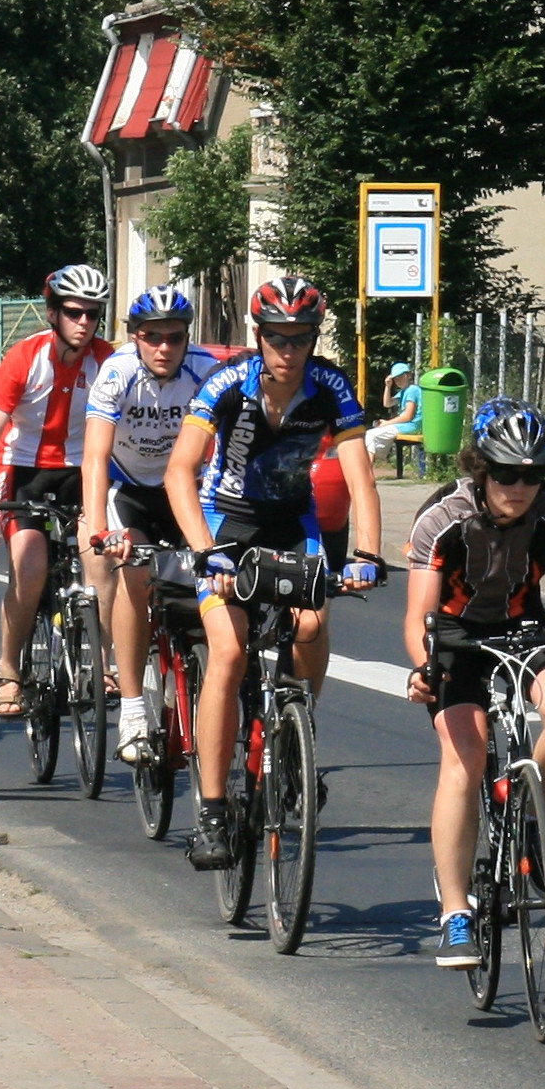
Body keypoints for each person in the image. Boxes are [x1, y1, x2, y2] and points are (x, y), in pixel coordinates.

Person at [163, 275, 384, 870]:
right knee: (230, 652)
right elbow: (180, 472)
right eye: (278, 338)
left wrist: (365, 554)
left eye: (301, 338)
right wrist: (204, 550)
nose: (288, 351)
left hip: (293, 521)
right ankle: (210, 813)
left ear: (314, 339)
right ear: (258, 337)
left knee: (311, 623)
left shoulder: (331, 386)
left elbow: (361, 478)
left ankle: (293, 736)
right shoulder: (227, 383)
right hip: (225, 522)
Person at [402, 399, 545, 970]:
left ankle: (527, 818)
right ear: (481, 468)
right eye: (506, 473)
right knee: (464, 760)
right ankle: (456, 913)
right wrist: (424, 667)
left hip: (524, 626)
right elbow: (417, 617)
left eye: (533, 474)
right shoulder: (441, 515)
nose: (520, 486)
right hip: (453, 636)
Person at [0, 265, 115, 720]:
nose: (84, 322)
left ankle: (104, 665)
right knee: (30, 566)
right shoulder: (25, 357)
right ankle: (9, 671)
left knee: (100, 557)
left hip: (81, 470)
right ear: (52, 313)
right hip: (24, 470)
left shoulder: (107, 360)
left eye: (93, 314)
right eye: (73, 312)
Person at [81, 286, 219, 763]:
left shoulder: (206, 371)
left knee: (211, 578)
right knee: (135, 577)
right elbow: (95, 456)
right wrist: (100, 529)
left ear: (187, 338)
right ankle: (134, 708)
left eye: (174, 337)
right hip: (131, 489)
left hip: (186, 487)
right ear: (134, 337)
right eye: (151, 336)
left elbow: (225, 448)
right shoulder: (116, 372)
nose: (164, 347)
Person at [365, 363, 423, 463]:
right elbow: (387, 403)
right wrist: (388, 386)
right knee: (370, 435)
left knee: (370, 435)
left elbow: (408, 417)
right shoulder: (405, 391)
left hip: (411, 426)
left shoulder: (412, 390)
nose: (398, 381)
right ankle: (369, 467)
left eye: (401, 377)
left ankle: (367, 470)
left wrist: (387, 423)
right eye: (396, 378)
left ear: (408, 375)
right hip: (405, 426)